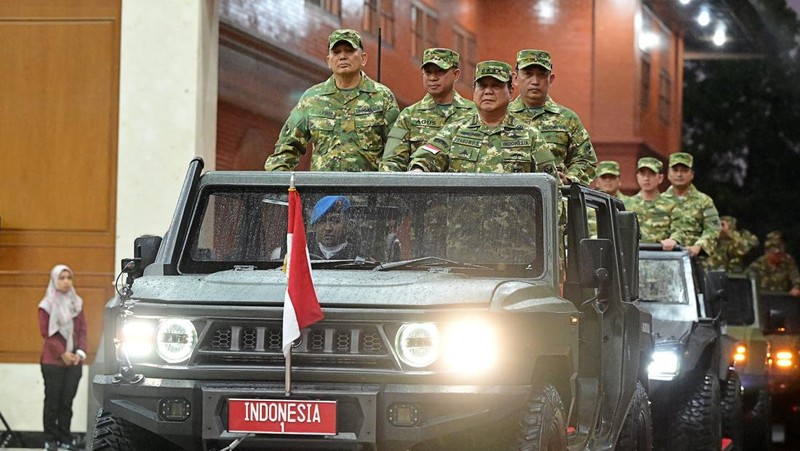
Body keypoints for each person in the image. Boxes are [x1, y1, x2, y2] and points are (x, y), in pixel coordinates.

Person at [264, 29, 400, 172]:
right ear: (328, 60)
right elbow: (286, 148)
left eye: (349, 51)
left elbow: (397, 149)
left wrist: (385, 186)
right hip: (323, 191)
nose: (342, 57)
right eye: (336, 52)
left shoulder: (382, 97)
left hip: (367, 191)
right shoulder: (312, 99)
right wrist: (280, 182)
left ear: (363, 58)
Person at [407, 60, 557, 174]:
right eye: (482, 86)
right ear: (474, 90)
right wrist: (418, 170)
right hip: (461, 215)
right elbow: (425, 159)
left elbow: (551, 187)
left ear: (511, 92)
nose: (488, 92)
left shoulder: (530, 136)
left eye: (496, 86)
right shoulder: (453, 132)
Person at [379, 48, 476, 172]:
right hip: (419, 187)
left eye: (440, 72)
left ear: (456, 74)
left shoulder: (474, 114)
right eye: (428, 72)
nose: (432, 78)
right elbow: (391, 161)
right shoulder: (409, 116)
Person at [509, 49, 597, 185]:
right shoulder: (502, 116)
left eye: (542, 75)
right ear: (515, 79)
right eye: (528, 74)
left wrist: (569, 179)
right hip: (508, 196)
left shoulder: (567, 119)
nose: (535, 81)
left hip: (553, 199)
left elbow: (586, 161)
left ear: (551, 79)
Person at [38, 265, 87, 451]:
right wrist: (63, 353)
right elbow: (47, 334)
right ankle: (50, 439)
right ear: (54, 280)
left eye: (69, 277)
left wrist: (80, 353)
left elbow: (83, 330)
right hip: (53, 362)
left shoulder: (77, 303)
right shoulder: (46, 305)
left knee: (67, 403)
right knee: (53, 402)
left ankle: (65, 438)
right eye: (62, 278)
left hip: (74, 361)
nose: (66, 281)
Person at [661, 152, 721, 258]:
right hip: (665, 259)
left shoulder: (704, 201)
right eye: (675, 170)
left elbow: (714, 229)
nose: (679, 174)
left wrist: (698, 246)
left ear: (692, 174)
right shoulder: (659, 201)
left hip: (695, 260)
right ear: (668, 174)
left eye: (684, 170)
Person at [625, 157, 680, 249]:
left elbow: (680, 229)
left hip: (660, 256)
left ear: (660, 178)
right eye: (643, 174)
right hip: (632, 257)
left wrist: (673, 240)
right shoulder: (626, 205)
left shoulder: (671, 205)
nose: (646, 178)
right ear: (637, 177)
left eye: (651, 174)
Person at [746, 231, 800, 296]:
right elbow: (745, 281)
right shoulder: (757, 265)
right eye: (774, 253)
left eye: (781, 251)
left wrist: (796, 288)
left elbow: (796, 278)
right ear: (766, 252)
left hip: (783, 300)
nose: (778, 254)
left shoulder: (788, 261)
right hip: (763, 300)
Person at [308, 196, 362, 260]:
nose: (328, 228)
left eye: (335, 221)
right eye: (322, 222)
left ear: (346, 225)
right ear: (315, 227)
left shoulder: (358, 258)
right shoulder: (304, 255)